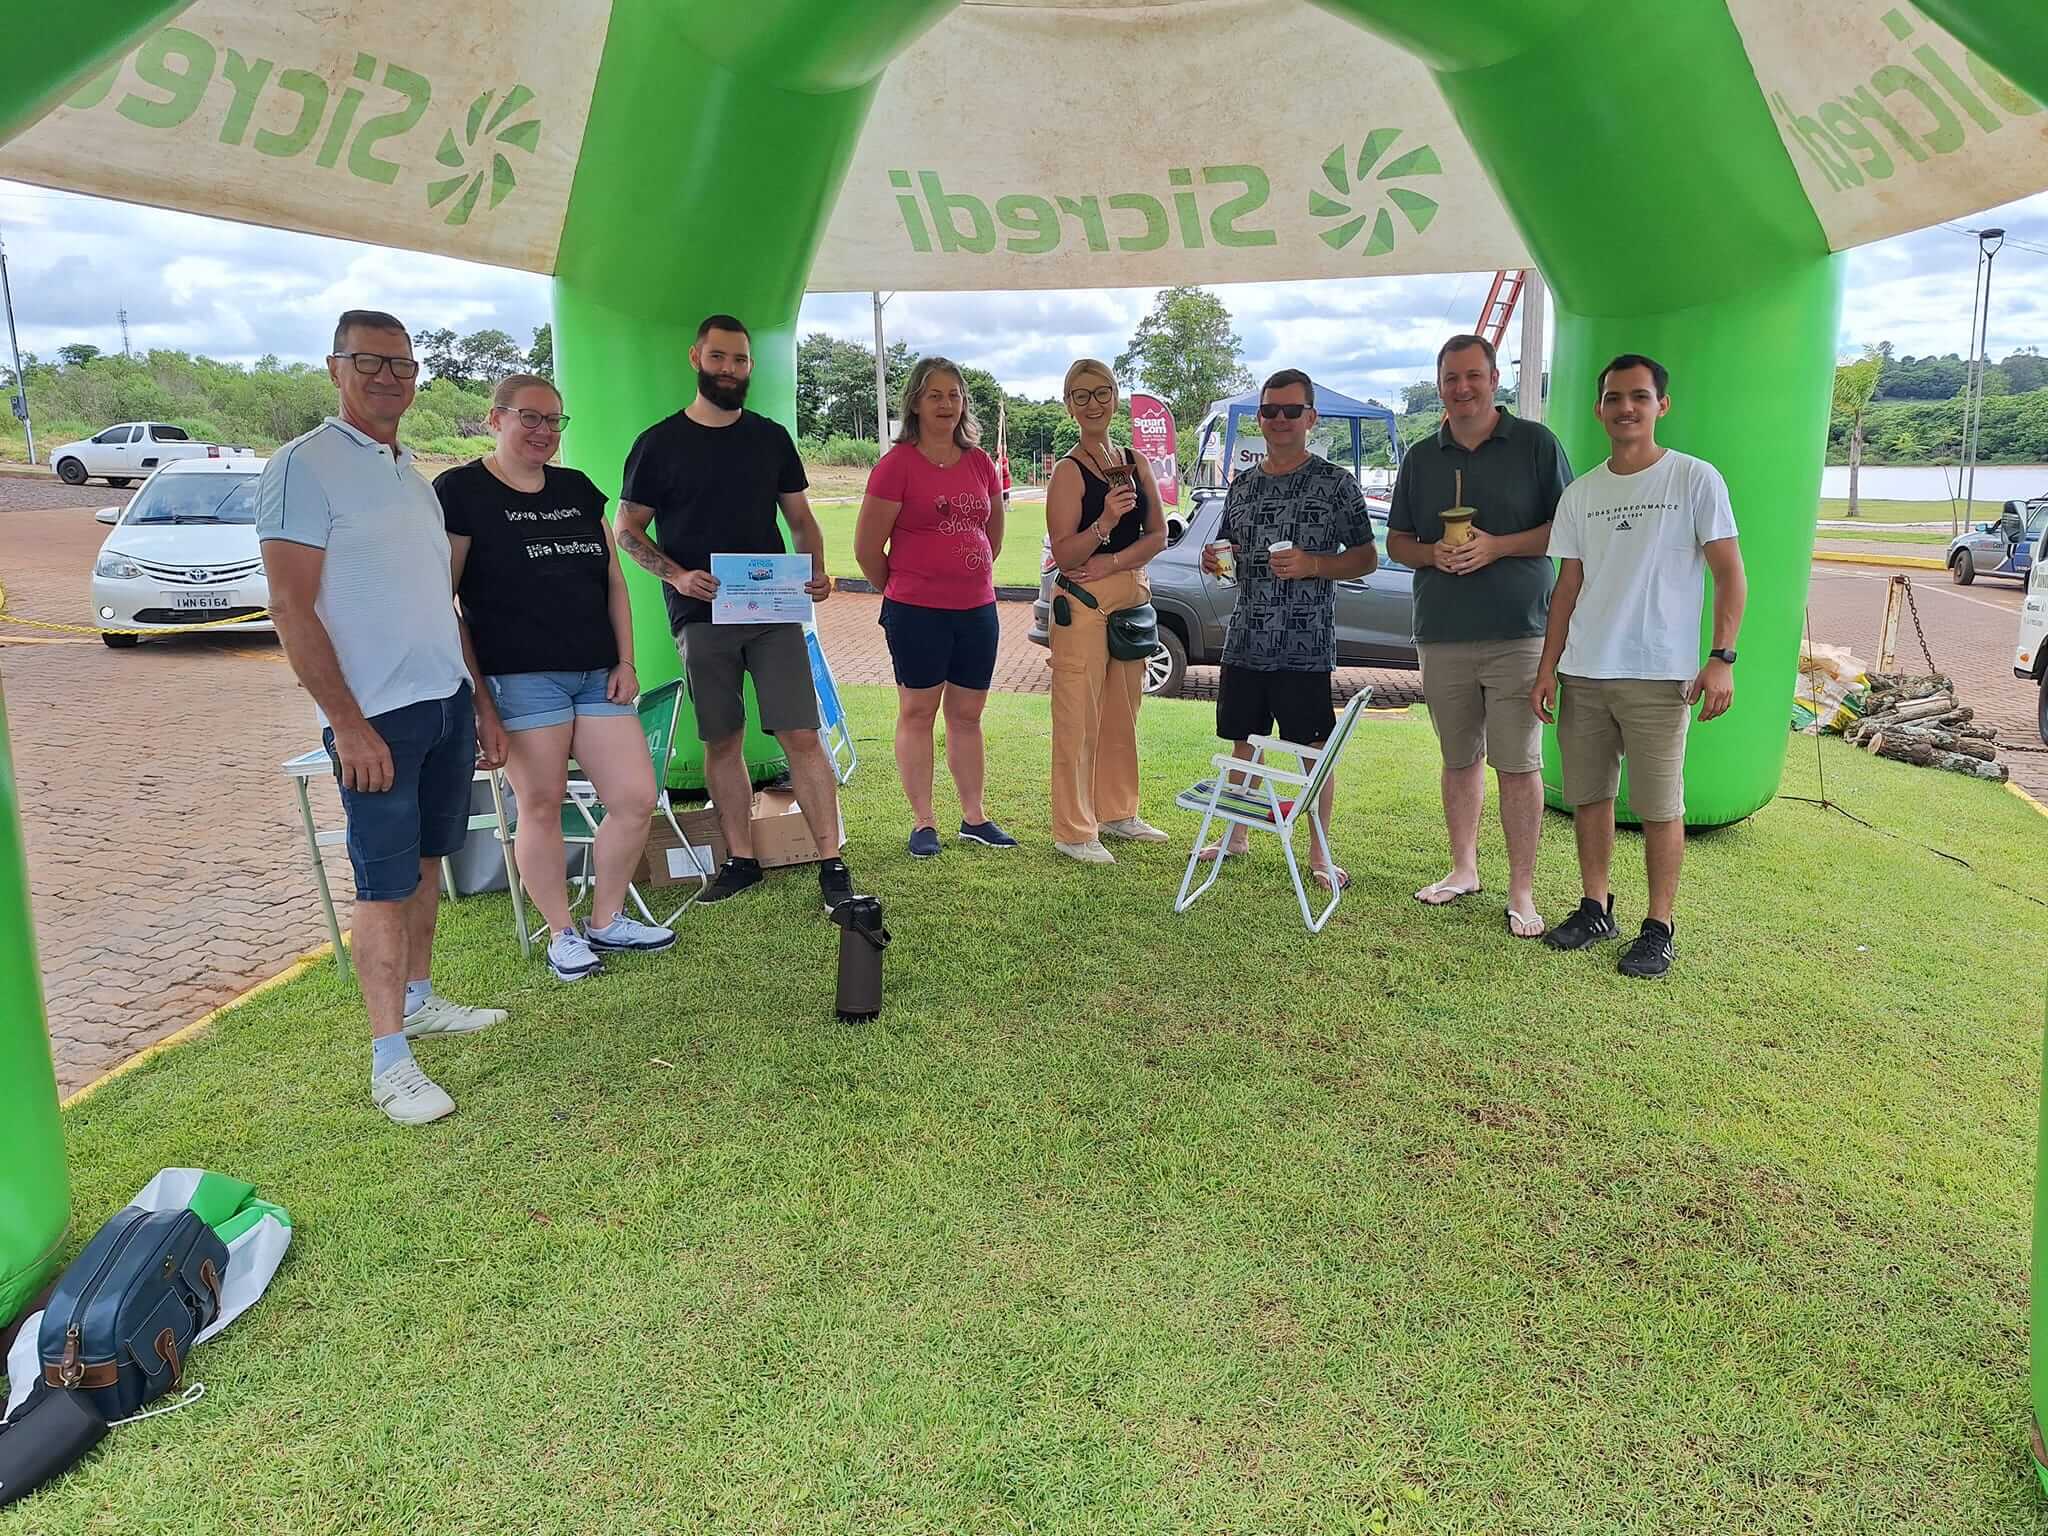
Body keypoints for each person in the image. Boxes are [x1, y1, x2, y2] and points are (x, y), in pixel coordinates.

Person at [258, 309, 504, 1127]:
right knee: (382, 883)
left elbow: (440, 602)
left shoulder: (409, 474)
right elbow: (290, 607)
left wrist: (477, 700)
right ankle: (389, 1060)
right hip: (377, 719)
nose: (389, 377)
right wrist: (348, 722)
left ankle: (421, 999)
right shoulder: (304, 465)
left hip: (443, 704)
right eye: (369, 362)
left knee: (428, 863)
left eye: (402, 364)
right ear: (336, 368)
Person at [434, 374, 674, 984]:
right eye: (530, 417)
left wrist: (626, 661)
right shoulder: (460, 491)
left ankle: (606, 919)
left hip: (597, 672)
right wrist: (482, 702)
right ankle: (562, 933)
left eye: (553, 420)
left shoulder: (577, 488)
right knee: (540, 804)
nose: (543, 431)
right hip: (519, 678)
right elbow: (445, 602)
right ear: (496, 419)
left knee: (635, 798)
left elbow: (613, 581)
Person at [613, 314, 855, 911]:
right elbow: (627, 530)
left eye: (740, 359)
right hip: (701, 616)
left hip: (773, 610)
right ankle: (741, 860)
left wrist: (816, 570)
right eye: (718, 357)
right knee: (722, 739)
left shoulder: (771, 438)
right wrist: (677, 576)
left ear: (750, 366)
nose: (729, 369)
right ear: (696, 358)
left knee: (802, 733)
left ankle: (832, 862)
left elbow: (801, 520)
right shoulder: (658, 443)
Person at [1532, 354, 1746, 978]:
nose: (1626, 408)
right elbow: (1566, 589)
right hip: (1585, 671)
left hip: (1659, 672)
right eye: (1614, 398)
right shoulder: (1581, 493)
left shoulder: (1694, 479)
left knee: (1659, 806)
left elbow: (1730, 575)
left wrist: (1721, 658)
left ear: (1661, 405)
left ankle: (1659, 925)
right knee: (1590, 797)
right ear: (1599, 408)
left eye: (1639, 396)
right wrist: (1548, 668)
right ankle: (1595, 907)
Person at [1387, 333, 1573, 938]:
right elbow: (1397, 542)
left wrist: (1498, 546)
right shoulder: (1421, 457)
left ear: (1495, 379)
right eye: (1451, 378)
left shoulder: (1536, 444)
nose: (1462, 388)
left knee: (1518, 763)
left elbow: (1567, 529)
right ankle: (1463, 869)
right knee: (1458, 757)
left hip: (1519, 631)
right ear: (1439, 385)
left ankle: (1521, 890)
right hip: (1441, 632)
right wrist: (1432, 554)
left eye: (1473, 376)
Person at [1197, 369, 1377, 888]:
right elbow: (1229, 552)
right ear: (1259, 417)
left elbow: (1366, 557)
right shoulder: (1242, 485)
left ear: (1310, 418)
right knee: (1244, 743)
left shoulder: (1336, 483)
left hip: (1305, 644)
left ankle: (1320, 855)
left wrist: (1314, 564)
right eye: (1270, 410)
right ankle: (1235, 837)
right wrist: (1214, 560)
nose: (1280, 419)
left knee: (1313, 751)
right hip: (1246, 638)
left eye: (1291, 410)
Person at [854, 356, 1017, 856]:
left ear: (964, 402)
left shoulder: (980, 462)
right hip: (915, 612)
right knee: (918, 711)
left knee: (968, 715)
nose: (946, 404)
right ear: (916, 404)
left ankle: (974, 817)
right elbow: (867, 549)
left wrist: (964, 575)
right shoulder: (896, 466)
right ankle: (924, 822)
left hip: (977, 610)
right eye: (934, 395)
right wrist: (906, 589)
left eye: (954, 395)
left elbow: (993, 536)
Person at [1042, 358, 1170, 864]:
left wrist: (1115, 560)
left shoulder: (1135, 461)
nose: (1092, 403)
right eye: (1081, 395)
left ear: (1116, 398)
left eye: (1101, 392)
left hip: (1130, 602)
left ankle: (1117, 812)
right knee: (1078, 719)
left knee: (1122, 715)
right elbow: (1065, 553)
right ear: (1068, 405)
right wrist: (1105, 522)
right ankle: (1074, 830)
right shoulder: (1068, 471)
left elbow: (1158, 535)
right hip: (1083, 606)